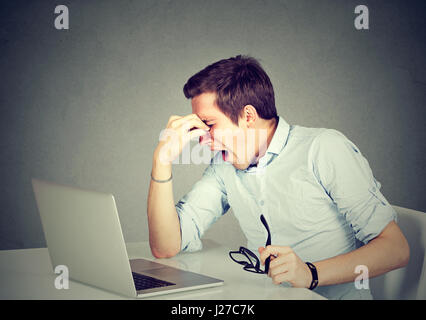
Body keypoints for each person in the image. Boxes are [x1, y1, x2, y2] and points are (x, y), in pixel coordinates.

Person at [147, 55, 409, 299]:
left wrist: (310, 273)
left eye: (210, 125)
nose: (202, 139)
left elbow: (395, 249)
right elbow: (166, 246)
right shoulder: (224, 166)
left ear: (248, 116)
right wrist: (162, 162)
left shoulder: (323, 148)